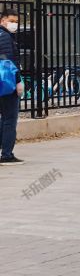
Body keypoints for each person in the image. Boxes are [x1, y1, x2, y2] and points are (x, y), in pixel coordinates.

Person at [0, 9, 24, 165]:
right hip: (7, 83)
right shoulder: (5, 37)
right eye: (11, 21)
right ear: (2, 20)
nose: (14, 24)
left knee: (4, 118)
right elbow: (7, 62)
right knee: (10, 118)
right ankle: (7, 154)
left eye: (16, 22)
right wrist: (17, 81)